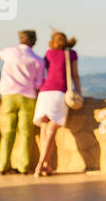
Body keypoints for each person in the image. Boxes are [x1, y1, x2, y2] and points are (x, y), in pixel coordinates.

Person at [0, 30, 45, 174]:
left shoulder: (10, 52)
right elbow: (39, 84)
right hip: (28, 96)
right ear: (34, 41)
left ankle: (2, 165)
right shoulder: (37, 60)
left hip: (8, 95)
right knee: (26, 133)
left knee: (8, 131)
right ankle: (23, 166)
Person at [32, 31, 80, 178]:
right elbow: (74, 74)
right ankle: (41, 164)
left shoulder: (48, 53)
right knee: (52, 128)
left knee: (45, 128)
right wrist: (79, 93)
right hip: (59, 93)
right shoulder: (71, 54)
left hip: (44, 93)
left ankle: (46, 164)